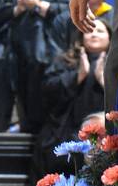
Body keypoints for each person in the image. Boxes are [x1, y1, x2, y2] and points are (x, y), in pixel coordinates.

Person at [0, 0, 73, 134]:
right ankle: (18, 121)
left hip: (52, 50)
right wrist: (17, 9)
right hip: (16, 50)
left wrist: (40, 6)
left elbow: (71, 13)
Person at [36, 19, 111, 176]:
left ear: (110, 37)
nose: (94, 34)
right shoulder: (66, 60)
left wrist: (105, 82)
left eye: (100, 31)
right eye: (89, 30)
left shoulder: (117, 63)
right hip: (68, 128)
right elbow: (46, 92)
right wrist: (77, 76)